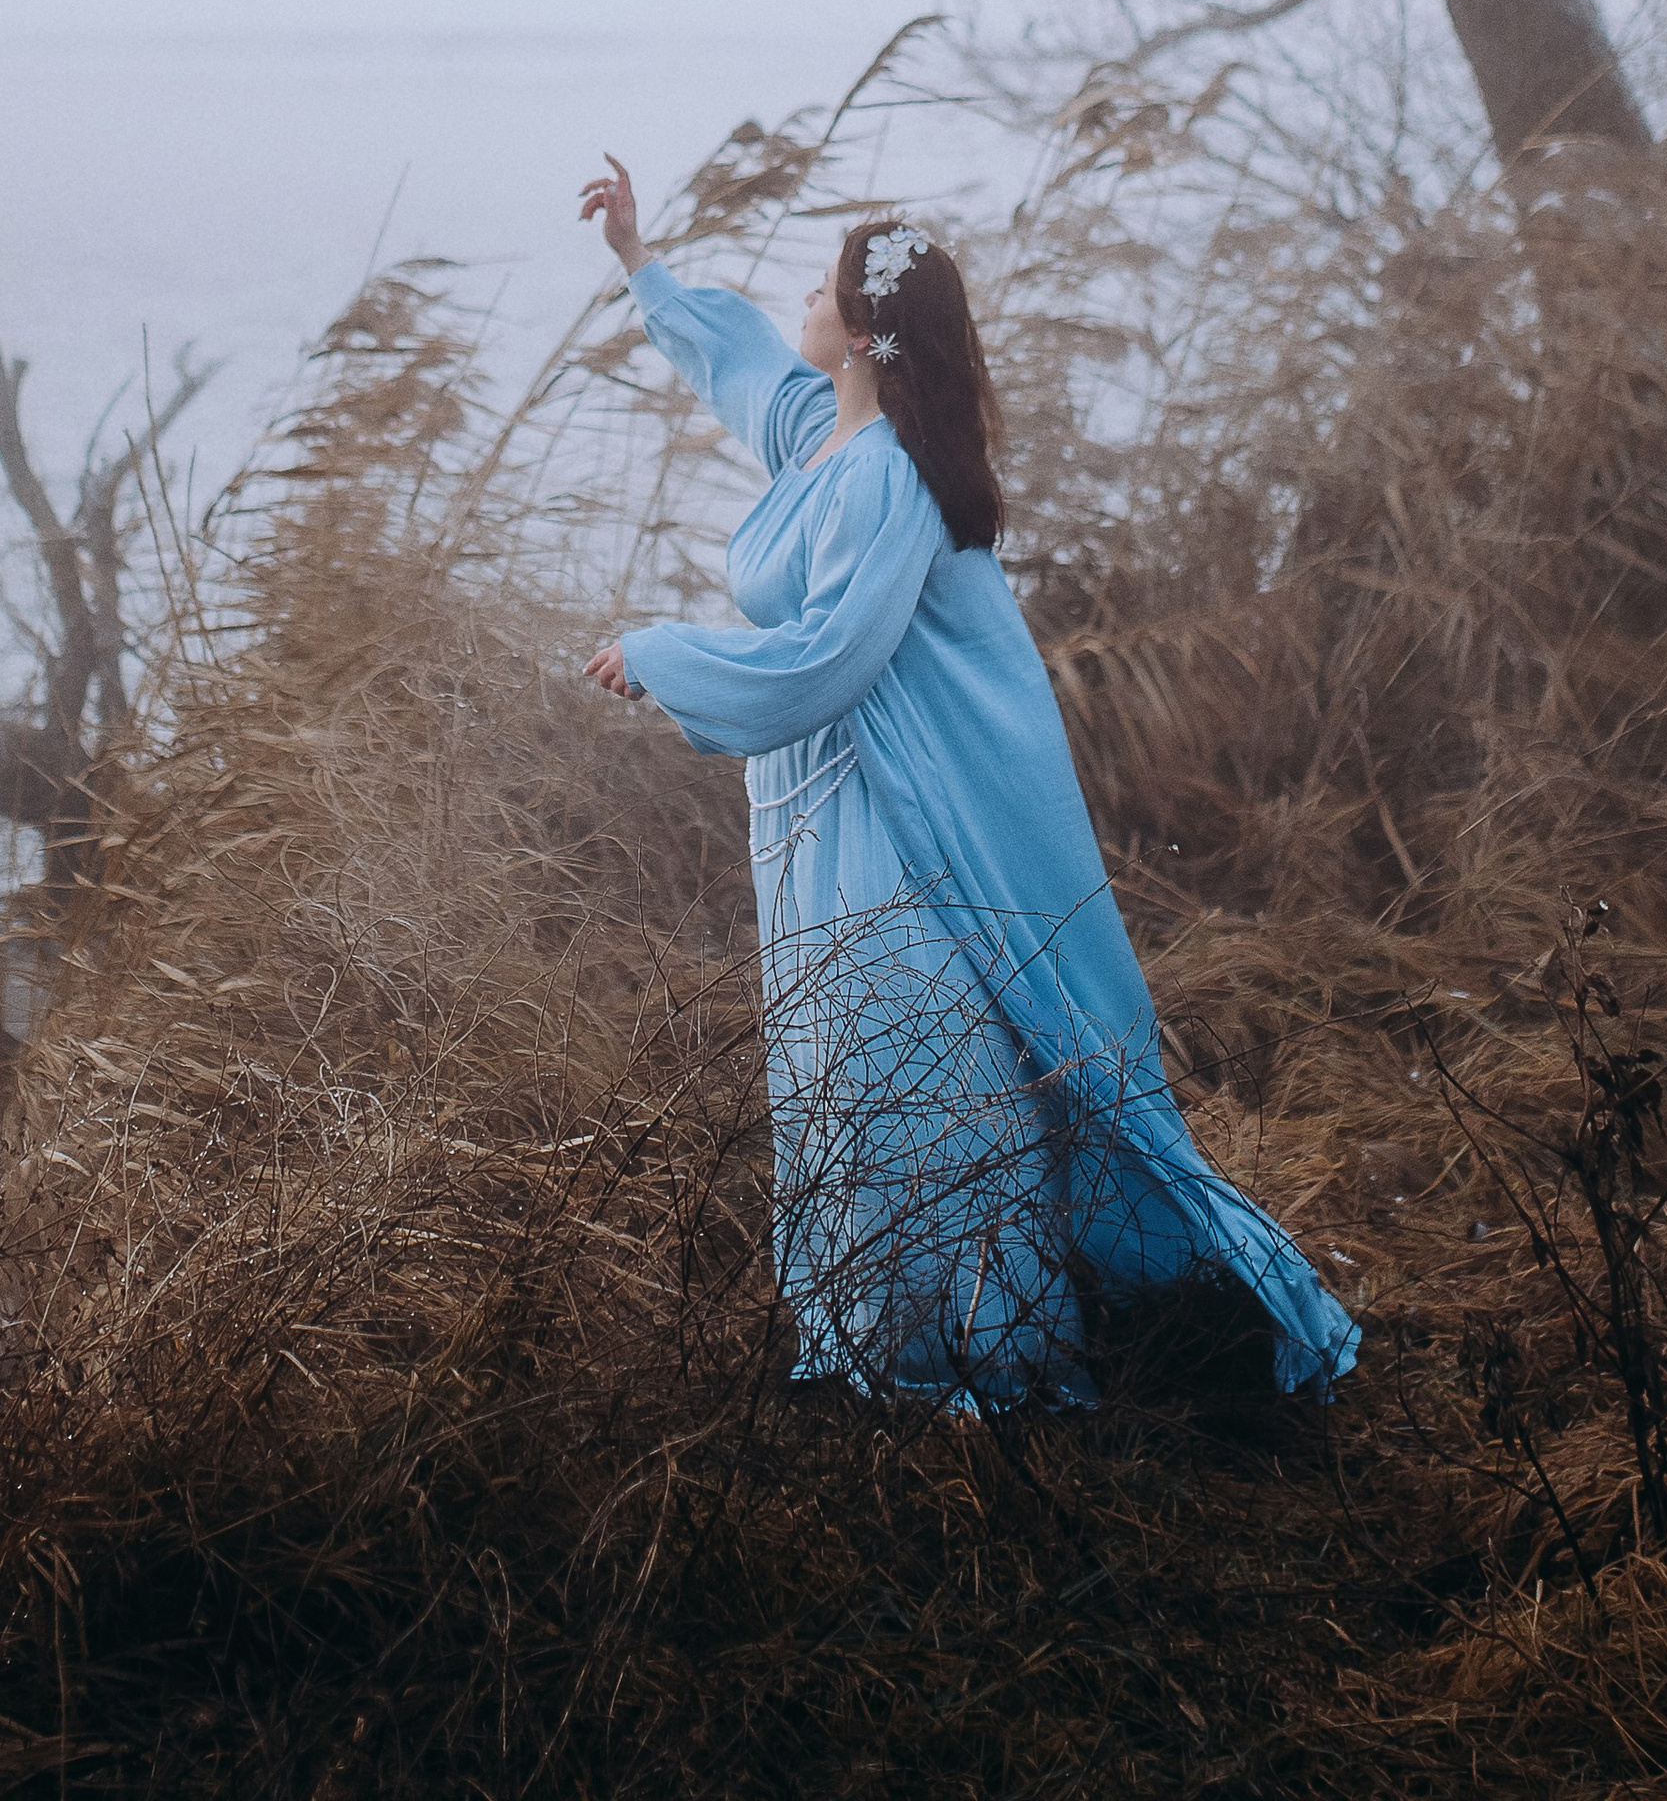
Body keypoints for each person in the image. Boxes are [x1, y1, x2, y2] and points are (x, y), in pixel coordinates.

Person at [578, 155, 1359, 1411]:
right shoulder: (823, 435)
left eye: (825, 283)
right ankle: (878, 1349)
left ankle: (999, 1360)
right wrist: (637, 257)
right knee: (844, 1061)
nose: (805, 294)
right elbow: (743, 373)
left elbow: (826, 658)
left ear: (867, 327)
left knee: (922, 1068)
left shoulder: (885, 478)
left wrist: (667, 653)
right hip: (824, 812)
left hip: (896, 811)